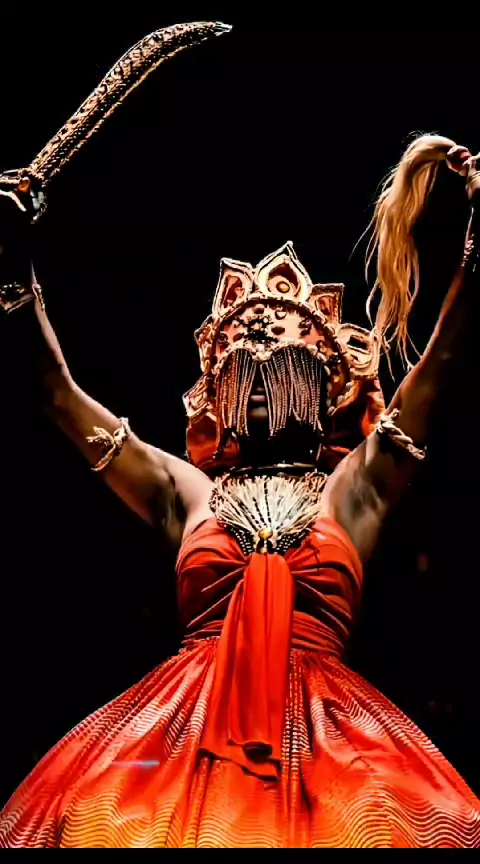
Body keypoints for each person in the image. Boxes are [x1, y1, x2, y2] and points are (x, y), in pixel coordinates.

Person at [0, 133, 479, 849]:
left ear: (321, 388)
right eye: (242, 371)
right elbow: (53, 390)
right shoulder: (187, 494)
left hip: (330, 736)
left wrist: (477, 242)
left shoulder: (355, 490)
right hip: (182, 725)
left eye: (277, 367)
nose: (257, 378)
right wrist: (11, 263)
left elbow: (445, 357)